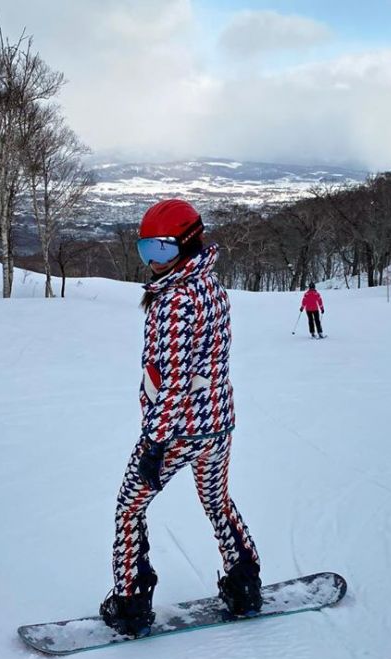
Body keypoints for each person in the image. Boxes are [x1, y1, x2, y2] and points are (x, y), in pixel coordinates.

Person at [99, 198, 263, 636]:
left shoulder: (173, 302)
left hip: (176, 430)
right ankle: (244, 584)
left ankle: (130, 604)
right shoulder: (212, 288)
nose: (153, 262)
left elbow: (172, 382)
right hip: (217, 424)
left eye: (163, 251)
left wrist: (154, 443)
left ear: (187, 245)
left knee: (129, 508)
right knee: (217, 501)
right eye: (145, 251)